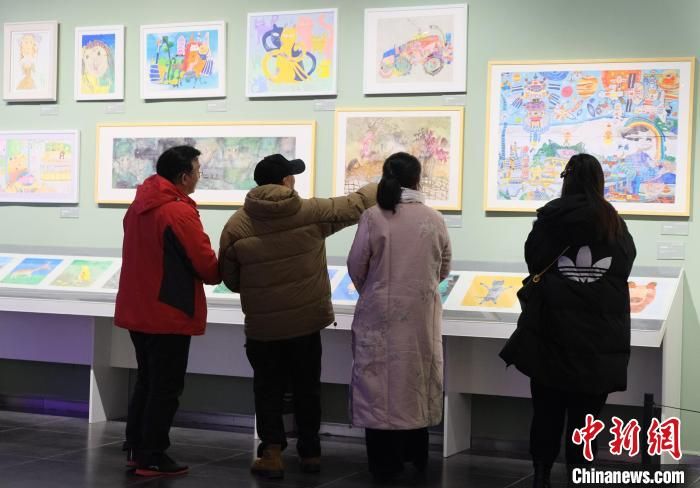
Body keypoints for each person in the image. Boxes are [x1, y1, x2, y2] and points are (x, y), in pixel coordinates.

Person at [218, 154, 377, 479]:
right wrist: (386, 181)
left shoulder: (237, 224)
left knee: (268, 389)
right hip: (306, 322)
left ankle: (272, 453)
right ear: (286, 181)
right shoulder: (310, 212)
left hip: (263, 326)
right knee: (307, 388)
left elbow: (231, 278)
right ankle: (310, 453)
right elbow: (356, 205)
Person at [500, 153, 636, 488]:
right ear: (599, 181)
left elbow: (534, 261)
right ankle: (580, 476)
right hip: (598, 339)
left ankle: (542, 476)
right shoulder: (614, 223)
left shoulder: (550, 219)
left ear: (567, 179)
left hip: (552, 332)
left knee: (546, 413)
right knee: (585, 420)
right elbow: (624, 266)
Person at [115, 145, 221, 477]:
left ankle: (137, 449)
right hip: (168, 311)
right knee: (165, 387)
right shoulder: (177, 212)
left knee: (147, 381)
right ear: (184, 176)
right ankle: (152, 455)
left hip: (139, 308)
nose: (199, 176)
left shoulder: (138, 207)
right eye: (198, 170)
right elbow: (205, 265)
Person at [347, 152, 452, 481]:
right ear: (418, 179)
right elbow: (444, 267)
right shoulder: (434, 219)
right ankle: (416, 455)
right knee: (415, 380)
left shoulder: (373, 216)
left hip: (378, 313)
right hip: (420, 315)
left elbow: (356, 265)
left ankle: (383, 461)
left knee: (378, 383)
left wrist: (375, 290)